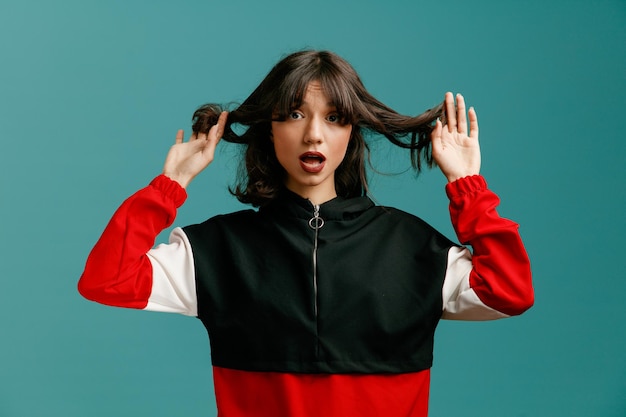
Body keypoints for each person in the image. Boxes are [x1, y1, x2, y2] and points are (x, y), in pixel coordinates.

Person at [78, 50, 534, 417]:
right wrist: (168, 186)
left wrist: (466, 187)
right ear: (269, 130)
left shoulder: (414, 248)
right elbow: (107, 279)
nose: (314, 134)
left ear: (352, 132)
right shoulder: (214, 250)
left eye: (334, 117)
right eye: (293, 114)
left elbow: (510, 292)